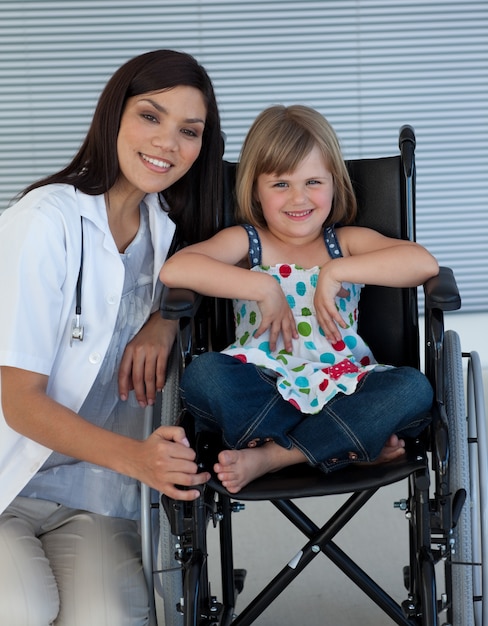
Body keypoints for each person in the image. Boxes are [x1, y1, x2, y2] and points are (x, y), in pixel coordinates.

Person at [0, 49, 221, 626]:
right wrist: (142, 461)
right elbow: (19, 402)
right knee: (25, 607)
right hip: (7, 482)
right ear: (113, 116)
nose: (168, 143)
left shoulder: (170, 237)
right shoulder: (46, 220)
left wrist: (166, 316)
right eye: (151, 116)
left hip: (91, 496)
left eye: (188, 131)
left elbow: (249, 254)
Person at [160, 104, 439, 495]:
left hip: (343, 386)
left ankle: (276, 456)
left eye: (313, 182)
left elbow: (421, 262)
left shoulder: (343, 243)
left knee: (413, 389)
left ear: (334, 183)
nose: (298, 198)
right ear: (255, 189)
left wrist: (337, 271)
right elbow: (177, 269)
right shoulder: (248, 243)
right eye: (280, 184)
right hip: (265, 387)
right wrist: (263, 288)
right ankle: (344, 446)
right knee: (204, 375)